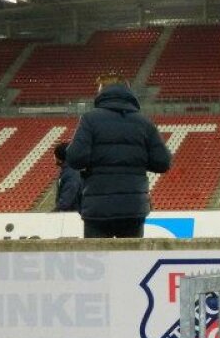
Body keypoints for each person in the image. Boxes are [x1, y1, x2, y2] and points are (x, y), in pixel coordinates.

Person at [67, 71, 172, 238]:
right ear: (128, 91)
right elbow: (163, 162)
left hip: (98, 206)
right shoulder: (144, 122)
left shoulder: (90, 119)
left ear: (102, 91)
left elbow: (75, 158)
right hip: (133, 206)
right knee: (130, 261)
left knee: (97, 261)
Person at [52, 142, 82, 213]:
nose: (53, 157)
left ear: (59, 158)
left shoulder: (71, 173)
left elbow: (67, 199)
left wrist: (54, 213)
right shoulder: (68, 171)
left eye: (54, 155)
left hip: (72, 216)